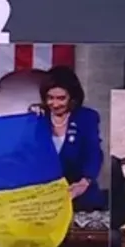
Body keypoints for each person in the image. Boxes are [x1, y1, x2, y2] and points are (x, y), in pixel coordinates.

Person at [37, 66, 106, 212]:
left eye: (61, 98)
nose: (55, 104)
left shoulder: (87, 118)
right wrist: (30, 119)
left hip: (78, 189)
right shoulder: (38, 117)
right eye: (50, 98)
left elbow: (94, 153)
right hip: (44, 192)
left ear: (72, 97)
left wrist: (84, 182)